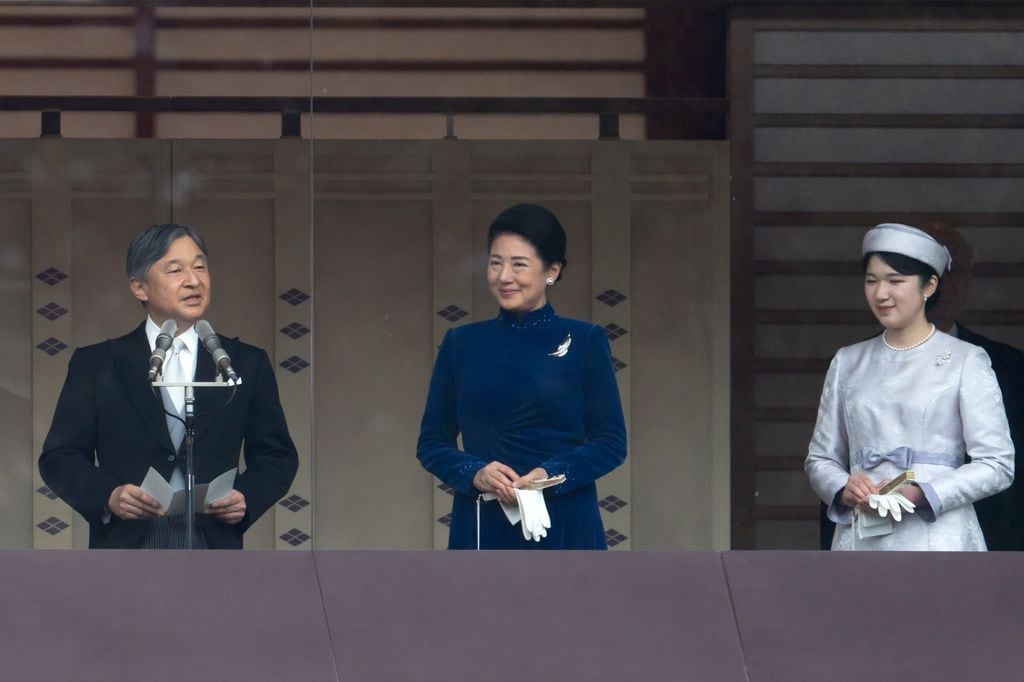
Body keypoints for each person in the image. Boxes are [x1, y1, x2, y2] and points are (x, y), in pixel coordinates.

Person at [39, 223, 298, 549]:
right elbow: (60, 456)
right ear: (139, 288)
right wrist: (110, 496)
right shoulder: (98, 364)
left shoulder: (243, 363)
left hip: (213, 543)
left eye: (200, 267)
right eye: (175, 270)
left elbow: (277, 455)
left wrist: (246, 497)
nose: (194, 280)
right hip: (126, 545)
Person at [417, 203, 627, 549]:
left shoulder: (585, 340)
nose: (503, 276)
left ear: (552, 270)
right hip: (483, 522)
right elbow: (431, 443)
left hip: (565, 521)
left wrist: (550, 475)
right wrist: (475, 473)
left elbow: (611, 443)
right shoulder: (461, 343)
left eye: (518, 264)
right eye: (495, 262)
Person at [806, 223, 1014, 550]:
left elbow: (998, 464)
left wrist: (924, 493)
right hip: (863, 537)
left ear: (929, 285)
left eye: (895, 281)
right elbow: (820, 458)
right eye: (871, 281)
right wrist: (844, 487)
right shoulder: (848, 361)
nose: (880, 293)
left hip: (941, 536)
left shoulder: (966, 359)